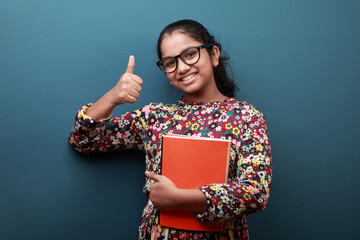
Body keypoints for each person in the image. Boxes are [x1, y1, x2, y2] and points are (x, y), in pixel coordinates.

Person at [69, 19, 272, 240]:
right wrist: (112, 97)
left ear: (213, 55)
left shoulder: (246, 117)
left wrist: (181, 198)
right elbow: (83, 140)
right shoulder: (155, 117)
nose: (182, 67)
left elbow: (255, 192)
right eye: (170, 63)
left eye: (190, 54)